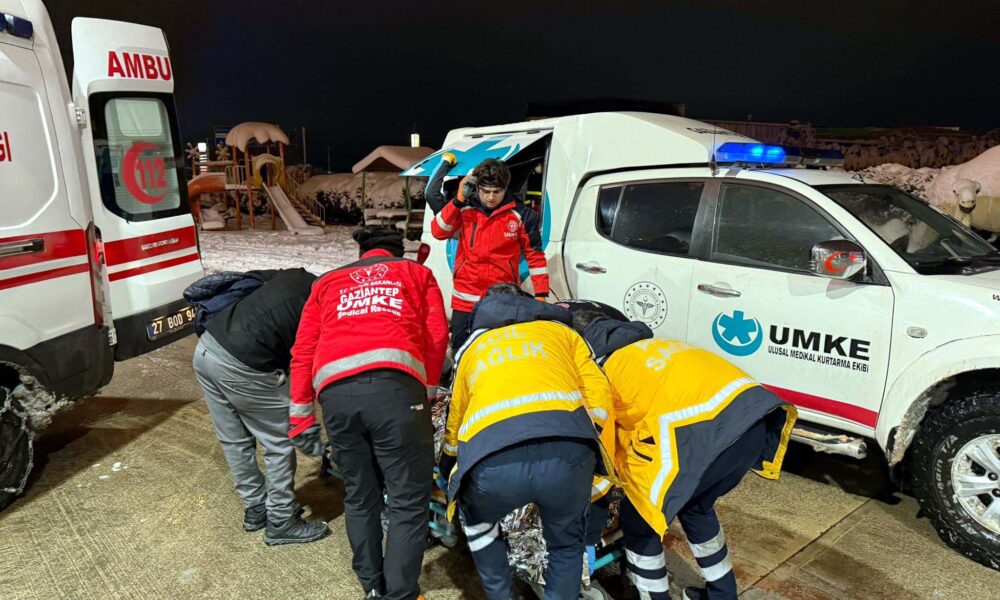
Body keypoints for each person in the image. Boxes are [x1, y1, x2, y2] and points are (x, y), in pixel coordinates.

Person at [570, 308, 797, 600]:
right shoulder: (651, 346)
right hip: (754, 421)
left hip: (698, 434)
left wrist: (590, 522)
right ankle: (722, 594)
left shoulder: (600, 372)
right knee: (697, 506)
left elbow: (603, 452)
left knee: (640, 523)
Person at [289, 228, 449, 600]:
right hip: (396, 392)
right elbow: (436, 335)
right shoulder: (416, 273)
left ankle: (372, 587)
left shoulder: (326, 283)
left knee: (361, 497)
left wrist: (300, 414)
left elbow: (304, 349)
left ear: (362, 253)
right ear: (398, 252)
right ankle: (401, 593)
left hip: (337, 398)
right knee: (407, 502)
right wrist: (425, 392)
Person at [440, 283, 615, 600]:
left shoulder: (473, 347)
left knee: (480, 526)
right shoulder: (562, 334)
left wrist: (448, 460)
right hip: (568, 455)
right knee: (565, 545)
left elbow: (456, 415)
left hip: (492, 462)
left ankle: (500, 595)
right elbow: (599, 393)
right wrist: (589, 438)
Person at [192, 268, 330, 545]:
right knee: (279, 442)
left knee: (234, 438)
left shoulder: (295, 276)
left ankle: (256, 508)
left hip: (207, 348)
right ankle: (281, 521)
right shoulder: (324, 309)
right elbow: (309, 365)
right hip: (243, 360)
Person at [429, 158, 549, 351]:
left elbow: (535, 257)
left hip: (502, 299)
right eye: (485, 191)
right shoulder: (465, 208)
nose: (491, 197)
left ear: (506, 188)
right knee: (460, 349)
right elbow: (438, 232)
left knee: (499, 351)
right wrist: (457, 200)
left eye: (496, 192)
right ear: (477, 188)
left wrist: (541, 295)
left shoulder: (523, 215)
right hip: (465, 299)